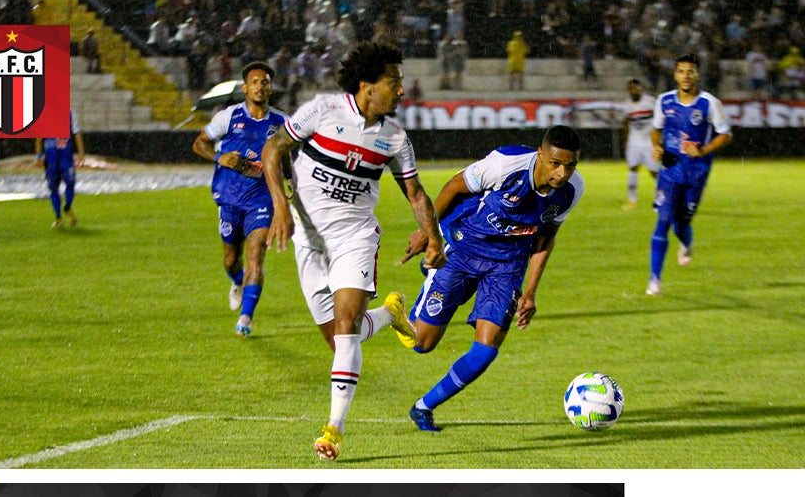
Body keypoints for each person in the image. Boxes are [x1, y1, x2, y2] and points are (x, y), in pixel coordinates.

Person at [260, 41, 447, 461]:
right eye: (393, 82)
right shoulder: (322, 111)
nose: (401, 91)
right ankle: (389, 315)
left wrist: (433, 239)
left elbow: (415, 193)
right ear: (367, 85)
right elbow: (273, 150)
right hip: (309, 241)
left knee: (346, 328)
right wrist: (279, 206)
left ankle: (333, 430)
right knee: (345, 337)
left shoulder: (395, 138)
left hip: (355, 238)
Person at [398, 125, 584, 432]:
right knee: (422, 343)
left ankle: (423, 407)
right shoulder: (504, 165)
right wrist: (429, 235)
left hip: (507, 266)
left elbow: (545, 238)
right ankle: (411, 295)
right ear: (541, 155)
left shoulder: (572, 191)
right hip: (462, 247)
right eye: (555, 163)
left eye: (570, 165)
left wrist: (531, 292)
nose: (563, 173)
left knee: (486, 349)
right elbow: (454, 186)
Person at [192, 61, 287, 337]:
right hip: (230, 197)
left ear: (270, 88)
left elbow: (286, 152)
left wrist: (289, 178)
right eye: (255, 81)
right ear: (245, 88)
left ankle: (246, 317)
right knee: (230, 260)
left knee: (255, 255)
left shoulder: (281, 122)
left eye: (265, 81)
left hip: (262, 198)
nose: (260, 85)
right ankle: (237, 281)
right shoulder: (228, 117)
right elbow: (199, 143)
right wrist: (221, 157)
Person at [647, 53, 732, 296]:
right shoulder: (664, 101)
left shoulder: (708, 103)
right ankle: (655, 280)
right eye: (681, 71)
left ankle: (686, 242)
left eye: (690, 71)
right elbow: (656, 130)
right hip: (670, 169)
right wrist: (658, 146)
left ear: (697, 74)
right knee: (663, 221)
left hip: (696, 172)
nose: (686, 76)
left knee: (681, 223)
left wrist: (703, 150)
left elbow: (726, 134)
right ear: (675, 75)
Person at [36, 110, 85, 228]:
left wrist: (81, 153)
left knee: (69, 184)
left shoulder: (69, 114)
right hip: (52, 158)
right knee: (54, 188)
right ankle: (58, 217)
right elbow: (39, 136)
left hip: (64, 157)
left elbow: (76, 133)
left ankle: (67, 207)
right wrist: (39, 155)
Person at [621, 78, 660, 210]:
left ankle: (660, 200)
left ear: (641, 88)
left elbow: (659, 120)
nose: (633, 90)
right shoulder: (627, 105)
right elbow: (626, 123)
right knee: (633, 168)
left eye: (636, 88)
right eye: (631, 88)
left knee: (654, 172)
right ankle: (632, 200)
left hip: (649, 142)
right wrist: (625, 141)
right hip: (634, 142)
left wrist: (660, 139)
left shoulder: (650, 102)